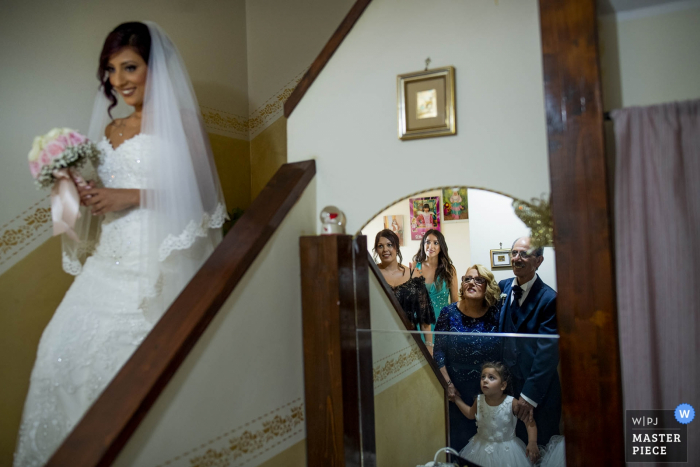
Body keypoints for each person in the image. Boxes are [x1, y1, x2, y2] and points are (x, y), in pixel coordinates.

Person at [14, 22, 226, 466]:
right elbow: (80, 216)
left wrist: (127, 196)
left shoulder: (182, 124)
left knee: (136, 369)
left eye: (129, 67)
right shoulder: (109, 132)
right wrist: (68, 189)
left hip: (160, 260)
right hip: (107, 263)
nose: (118, 80)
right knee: (58, 350)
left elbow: (203, 198)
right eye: (110, 70)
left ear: (156, 68)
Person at [498, 236, 560, 446]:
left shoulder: (549, 299)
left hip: (538, 395)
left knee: (537, 451)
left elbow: (547, 354)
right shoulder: (503, 288)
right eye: (514, 253)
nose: (516, 258)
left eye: (524, 254)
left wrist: (529, 397)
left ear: (539, 261)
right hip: (507, 392)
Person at [434, 264, 501, 449]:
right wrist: (448, 385)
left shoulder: (496, 313)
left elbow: (504, 352)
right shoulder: (447, 313)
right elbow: (438, 352)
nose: (472, 283)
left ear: (488, 286)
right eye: (467, 279)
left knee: (488, 446)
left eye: (479, 280)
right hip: (456, 391)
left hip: (489, 389)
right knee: (459, 445)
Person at [452, 362, 540, 466]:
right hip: (481, 447)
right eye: (483, 377)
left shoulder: (511, 403)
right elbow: (471, 414)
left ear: (503, 385)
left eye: (491, 378)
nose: (485, 380)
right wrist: (457, 400)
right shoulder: (479, 400)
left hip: (508, 451)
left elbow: (529, 421)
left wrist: (532, 442)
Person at [373, 230, 434, 330]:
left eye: (389, 245)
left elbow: (424, 316)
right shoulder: (371, 274)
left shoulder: (413, 275)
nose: (385, 249)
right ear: (376, 250)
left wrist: (428, 344)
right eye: (380, 246)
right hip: (379, 336)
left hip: (409, 338)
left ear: (397, 247)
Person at [412, 229, 459, 349]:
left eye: (436, 243)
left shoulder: (449, 270)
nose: (430, 246)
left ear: (441, 246)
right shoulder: (414, 268)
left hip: (442, 323)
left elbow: (455, 302)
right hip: (419, 323)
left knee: (439, 363)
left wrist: (455, 327)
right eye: (427, 242)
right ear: (423, 244)